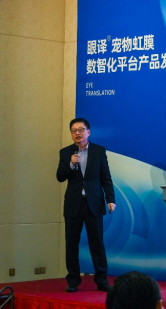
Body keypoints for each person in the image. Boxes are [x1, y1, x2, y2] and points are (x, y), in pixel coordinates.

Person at [56, 118, 116, 292]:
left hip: (93, 203)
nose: (78, 133)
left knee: (97, 243)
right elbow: (60, 177)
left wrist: (110, 199)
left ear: (88, 132)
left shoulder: (98, 151)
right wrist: (70, 164)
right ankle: (73, 280)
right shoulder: (66, 152)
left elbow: (106, 177)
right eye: (74, 130)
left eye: (81, 130)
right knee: (71, 244)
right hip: (73, 204)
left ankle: (102, 280)